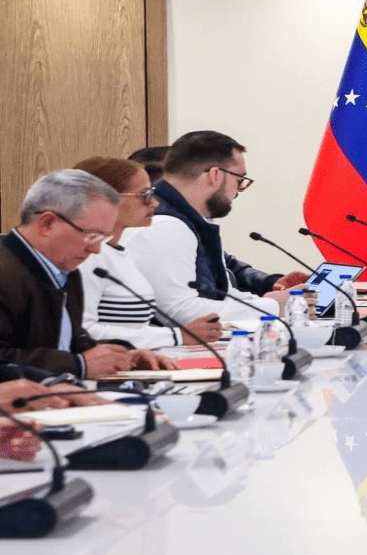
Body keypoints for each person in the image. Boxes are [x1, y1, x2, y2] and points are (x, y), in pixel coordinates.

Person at [0, 170, 179, 378]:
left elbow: (68, 341)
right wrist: (78, 365)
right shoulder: (6, 272)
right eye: (92, 235)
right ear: (47, 223)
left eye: (104, 237)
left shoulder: (63, 268)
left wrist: (122, 355)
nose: (96, 250)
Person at [125, 131, 306, 323]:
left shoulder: (193, 223)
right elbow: (180, 312)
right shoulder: (165, 226)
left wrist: (272, 301)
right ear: (215, 175)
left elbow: (220, 295)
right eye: (239, 180)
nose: (238, 191)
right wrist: (272, 306)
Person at [74, 156, 225, 348]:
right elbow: (83, 331)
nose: (154, 203)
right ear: (105, 199)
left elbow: (135, 329)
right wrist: (176, 335)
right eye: (144, 195)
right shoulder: (87, 256)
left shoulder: (118, 252)